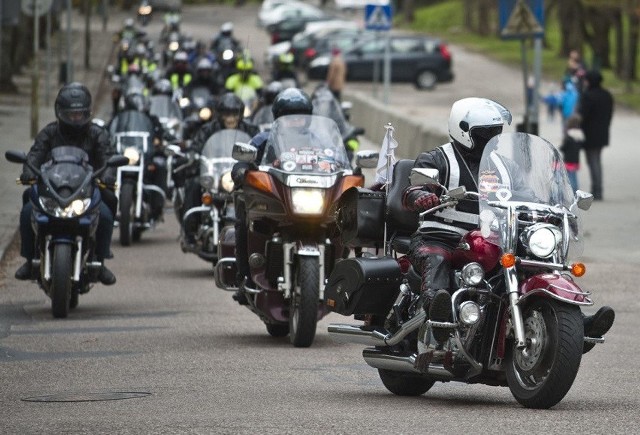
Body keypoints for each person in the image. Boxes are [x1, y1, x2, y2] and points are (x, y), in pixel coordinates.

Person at [401, 97, 614, 350]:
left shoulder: (504, 166)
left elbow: (527, 195)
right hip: (440, 235)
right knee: (435, 259)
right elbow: (412, 190)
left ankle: (574, 324)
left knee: (536, 263)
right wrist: (421, 195)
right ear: (463, 130)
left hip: (492, 237)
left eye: (495, 132)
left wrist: (551, 210)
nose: (491, 138)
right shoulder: (437, 159)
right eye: (485, 133)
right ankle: (440, 312)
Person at [15, 83, 118, 285]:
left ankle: (100, 259)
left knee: (107, 208)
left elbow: (107, 157)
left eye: (79, 114)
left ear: (87, 112)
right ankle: (29, 259)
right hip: (53, 187)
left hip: (87, 188)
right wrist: (28, 171)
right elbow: (35, 154)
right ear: (59, 112)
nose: (75, 118)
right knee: (28, 206)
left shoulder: (97, 134)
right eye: (70, 114)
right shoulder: (49, 133)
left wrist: (108, 174)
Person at [231, 88, 313, 304]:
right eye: (290, 117)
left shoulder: (317, 141)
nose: (296, 121)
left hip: (309, 199)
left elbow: (339, 160)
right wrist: (241, 170)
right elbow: (244, 158)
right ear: (279, 118)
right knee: (244, 218)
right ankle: (246, 276)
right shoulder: (265, 138)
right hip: (278, 199)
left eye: (300, 117)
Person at [180, 93, 259, 243]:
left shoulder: (251, 129)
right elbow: (197, 146)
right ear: (220, 115)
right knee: (194, 184)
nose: (230, 118)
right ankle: (190, 232)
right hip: (215, 173)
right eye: (226, 114)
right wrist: (192, 155)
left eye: (234, 114)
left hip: (241, 174)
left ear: (240, 114)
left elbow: (260, 147)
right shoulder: (208, 129)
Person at [577, 70, 613, 201]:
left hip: (589, 133)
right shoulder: (607, 95)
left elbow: (582, 115)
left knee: (593, 161)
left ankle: (597, 190)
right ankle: (598, 188)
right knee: (596, 159)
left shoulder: (588, 96)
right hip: (602, 132)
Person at [560, 113, 584, 192]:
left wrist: (561, 147)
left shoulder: (568, 137)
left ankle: (571, 192)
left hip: (568, 160)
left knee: (569, 178)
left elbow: (564, 148)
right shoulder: (580, 136)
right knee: (574, 176)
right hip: (576, 161)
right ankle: (576, 191)